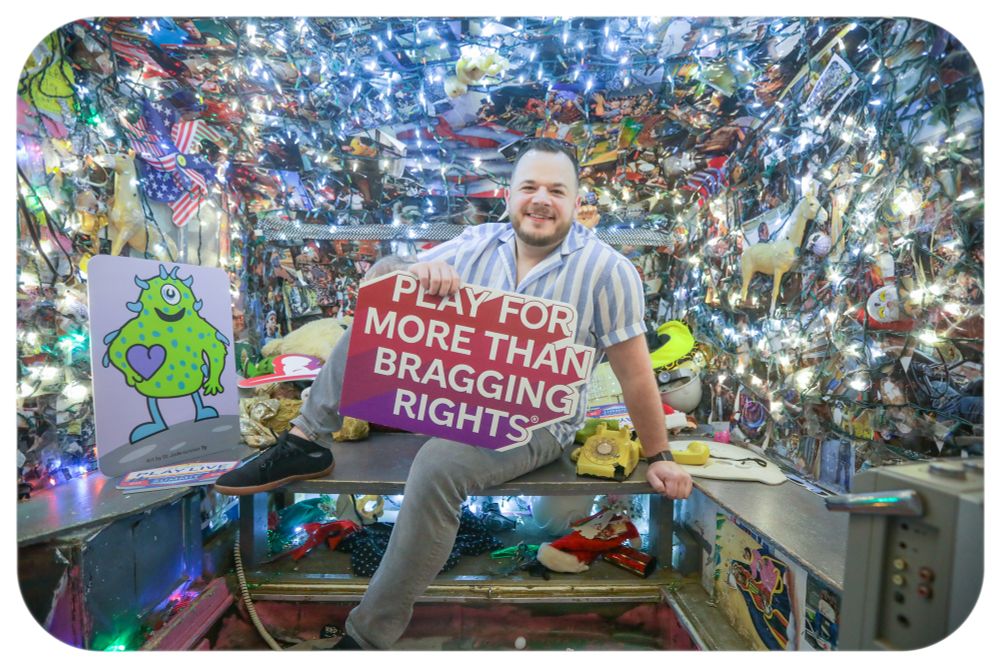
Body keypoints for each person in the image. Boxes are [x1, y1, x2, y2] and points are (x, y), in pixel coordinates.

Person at [214, 138, 694, 649]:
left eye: (557, 190)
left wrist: (658, 454)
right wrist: (409, 271)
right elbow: (377, 283)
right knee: (383, 310)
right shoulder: (476, 244)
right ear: (508, 195)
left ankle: (366, 638)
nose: (541, 199)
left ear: (578, 203)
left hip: (531, 424)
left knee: (437, 465)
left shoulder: (608, 270)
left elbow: (638, 375)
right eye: (529, 186)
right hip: (454, 397)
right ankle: (303, 439)